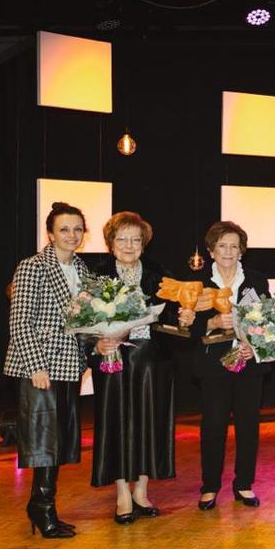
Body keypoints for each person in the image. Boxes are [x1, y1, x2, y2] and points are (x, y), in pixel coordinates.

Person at [89, 211, 186, 524]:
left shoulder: (158, 272)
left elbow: (170, 315)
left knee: (149, 422)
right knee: (116, 422)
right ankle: (121, 494)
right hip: (113, 357)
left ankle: (142, 491)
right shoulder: (99, 273)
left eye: (136, 239)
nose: (129, 245)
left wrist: (182, 316)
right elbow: (83, 317)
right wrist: (98, 342)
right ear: (111, 243)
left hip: (152, 359)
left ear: (144, 243)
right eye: (122, 239)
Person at [4, 202, 92, 538]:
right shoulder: (32, 267)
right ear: (50, 233)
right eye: (65, 229)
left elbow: (87, 321)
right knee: (43, 441)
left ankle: (41, 506)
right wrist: (35, 366)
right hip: (39, 368)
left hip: (70, 367)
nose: (71, 235)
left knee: (58, 441)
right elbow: (20, 322)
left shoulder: (84, 272)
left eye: (77, 229)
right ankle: (43, 510)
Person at [187, 221, 270, 510]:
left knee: (249, 426)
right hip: (213, 365)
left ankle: (244, 485)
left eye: (234, 246)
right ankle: (209, 487)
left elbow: (268, 320)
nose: (228, 251)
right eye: (222, 246)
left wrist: (254, 345)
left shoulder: (256, 280)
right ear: (210, 251)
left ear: (242, 251)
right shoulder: (197, 283)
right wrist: (209, 322)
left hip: (248, 363)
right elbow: (184, 324)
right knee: (213, 427)